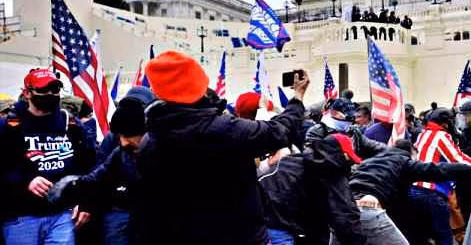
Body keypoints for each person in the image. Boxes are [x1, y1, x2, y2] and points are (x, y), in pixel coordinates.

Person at [134, 51, 308, 245]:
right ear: (198, 85)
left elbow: (148, 207)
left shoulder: (149, 142)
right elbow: (280, 131)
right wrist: (298, 96)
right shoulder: (225, 130)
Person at [1, 69, 96, 245]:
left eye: (55, 89)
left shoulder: (72, 125)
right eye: (44, 90)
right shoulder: (9, 125)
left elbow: (89, 167)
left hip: (62, 215)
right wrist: (25, 181)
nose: (50, 94)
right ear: (27, 93)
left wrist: (85, 202)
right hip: (21, 215)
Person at [57, 86, 154, 245]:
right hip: (119, 208)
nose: (123, 142)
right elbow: (98, 175)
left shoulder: (167, 144)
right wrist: (72, 189)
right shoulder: (117, 148)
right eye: (120, 136)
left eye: (128, 136)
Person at [343, 139, 471, 245]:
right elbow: (440, 170)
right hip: (369, 208)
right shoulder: (404, 163)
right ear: (411, 153)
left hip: (344, 208)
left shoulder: (371, 161)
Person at [258, 127, 365, 245]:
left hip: (256, 223)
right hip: (283, 231)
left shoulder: (292, 160)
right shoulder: (332, 173)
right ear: (342, 156)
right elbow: (345, 217)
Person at [410, 108, 471, 245]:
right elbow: (457, 158)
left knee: (421, 236)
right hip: (432, 193)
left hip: (413, 190)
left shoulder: (422, 134)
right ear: (445, 124)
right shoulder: (441, 136)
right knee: (444, 236)